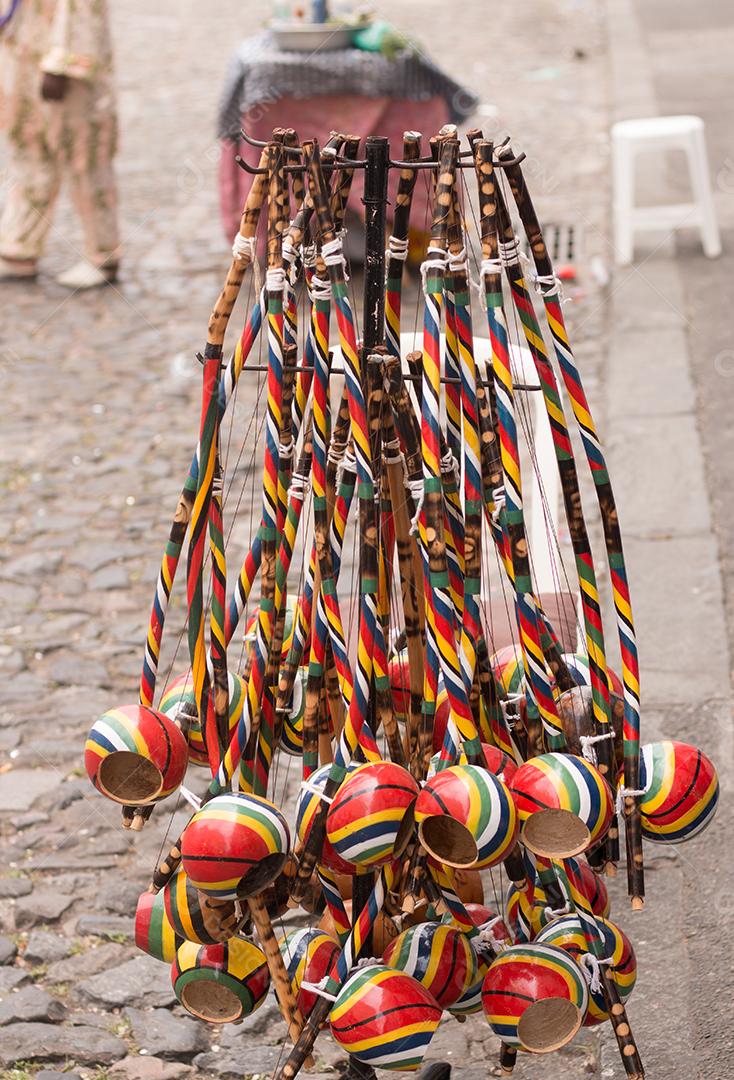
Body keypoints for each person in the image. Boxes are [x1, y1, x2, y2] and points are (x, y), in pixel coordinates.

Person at [0, 0, 120, 288]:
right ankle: (20, 246)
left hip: (67, 73)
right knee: (29, 154)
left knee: (84, 159)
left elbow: (86, 8)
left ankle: (103, 255)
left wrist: (63, 63)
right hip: (26, 53)